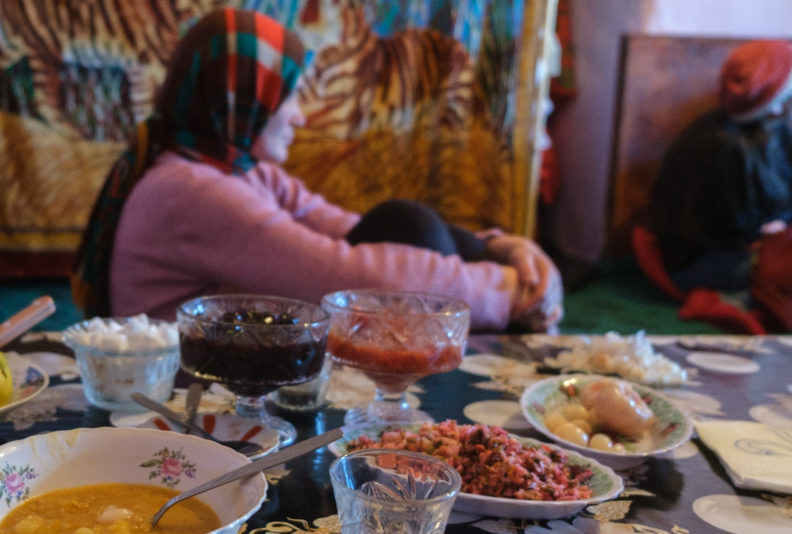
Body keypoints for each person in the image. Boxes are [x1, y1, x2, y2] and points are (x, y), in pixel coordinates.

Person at [71, 8, 563, 332]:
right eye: (290, 97)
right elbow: (345, 276)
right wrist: (506, 291)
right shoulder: (189, 190)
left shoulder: (237, 169)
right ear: (241, 103)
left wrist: (500, 248)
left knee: (405, 223)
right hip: (194, 388)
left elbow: (350, 230)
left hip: (245, 361)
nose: (300, 115)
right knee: (393, 274)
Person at [647, 39, 792, 331]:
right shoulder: (720, 143)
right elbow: (732, 227)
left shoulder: (771, 127)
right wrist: (771, 234)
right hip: (707, 259)